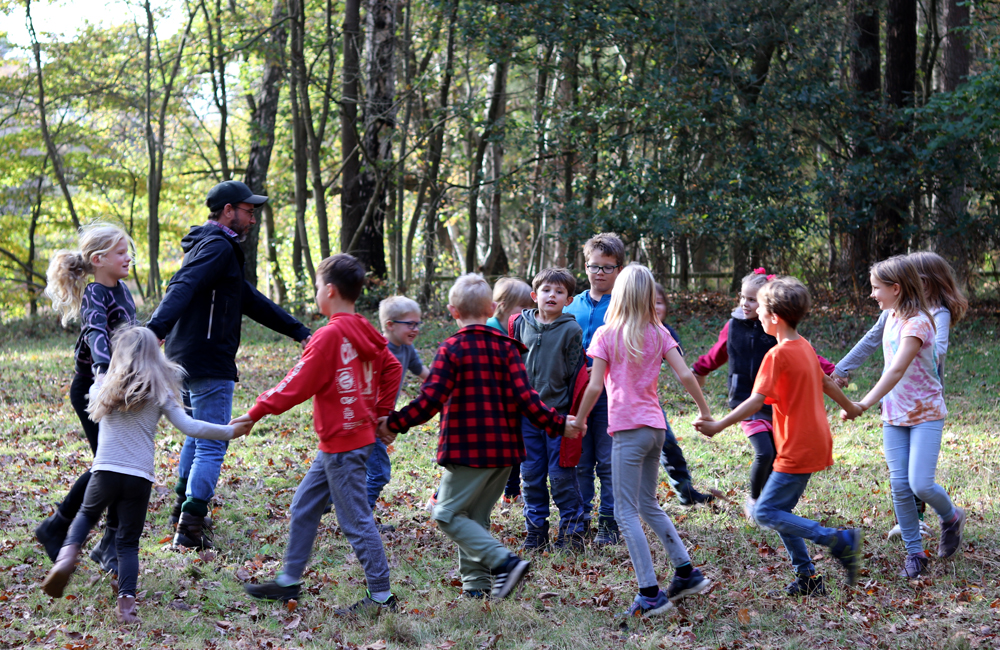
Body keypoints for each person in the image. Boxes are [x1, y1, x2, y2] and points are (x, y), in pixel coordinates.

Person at [378, 274, 584, 600]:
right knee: (474, 517)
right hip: (505, 454)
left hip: (467, 452)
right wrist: (560, 423)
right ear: (491, 308)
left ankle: (505, 562)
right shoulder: (508, 348)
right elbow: (528, 399)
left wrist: (394, 422)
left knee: (445, 513)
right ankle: (477, 586)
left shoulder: (451, 349)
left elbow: (430, 400)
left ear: (452, 311)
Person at [41, 326, 248, 623]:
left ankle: (66, 558)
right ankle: (126, 606)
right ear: (156, 356)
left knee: (86, 516)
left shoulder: (105, 386)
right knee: (127, 543)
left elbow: (89, 397)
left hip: (104, 472)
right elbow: (191, 427)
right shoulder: (160, 391)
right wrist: (229, 431)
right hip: (139, 478)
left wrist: (102, 376)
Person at [147, 180, 312, 549]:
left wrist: (299, 331)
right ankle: (190, 529)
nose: (252, 219)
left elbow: (249, 299)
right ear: (227, 212)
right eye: (248, 211)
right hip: (207, 360)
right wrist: (153, 329)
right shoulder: (218, 247)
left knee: (197, 433)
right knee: (213, 443)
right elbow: (183, 285)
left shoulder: (212, 246)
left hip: (186, 358)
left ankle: (182, 513)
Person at [235, 254, 403, 612]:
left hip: (344, 444)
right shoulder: (364, 328)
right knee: (304, 505)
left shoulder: (329, 336)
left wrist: (256, 411)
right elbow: (391, 366)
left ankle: (382, 597)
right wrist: (381, 413)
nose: (315, 294)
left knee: (356, 520)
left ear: (328, 290)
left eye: (315, 288)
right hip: (341, 441)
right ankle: (288, 582)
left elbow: (296, 384)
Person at [696, 277, 862, 598]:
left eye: (761, 308)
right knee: (781, 512)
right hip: (812, 441)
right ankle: (808, 577)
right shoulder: (804, 345)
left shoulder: (778, 354)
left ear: (774, 317)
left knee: (765, 513)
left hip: (796, 448)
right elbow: (827, 382)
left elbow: (755, 402)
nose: (756, 314)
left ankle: (838, 540)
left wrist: (718, 425)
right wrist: (851, 406)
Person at [572, 264, 713, 617]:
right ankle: (685, 573)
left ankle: (649, 593)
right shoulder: (659, 331)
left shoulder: (605, 333)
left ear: (618, 294)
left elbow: (593, 385)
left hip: (629, 431)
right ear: (649, 296)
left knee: (625, 511)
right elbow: (685, 374)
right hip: (655, 430)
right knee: (648, 505)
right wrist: (705, 411)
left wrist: (578, 418)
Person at [841, 256, 966, 579]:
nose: (872, 294)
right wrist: (839, 372)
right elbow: (874, 347)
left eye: (876, 288)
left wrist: (862, 403)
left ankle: (951, 517)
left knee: (920, 484)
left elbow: (896, 368)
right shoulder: (890, 315)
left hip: (925, 412)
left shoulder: (920, 322)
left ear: (896, 289)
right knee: (899, 486)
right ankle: (915, 553)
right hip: (895, 414)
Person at [691, 268, 836, 520]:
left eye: (751, 299)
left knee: (777, 454)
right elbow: (718, 352)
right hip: (745, 402)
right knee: (764, 452)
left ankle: (771, 503)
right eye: (742, 298)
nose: (745, 304)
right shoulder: (733, 326)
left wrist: (831, 370)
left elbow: (805, 354)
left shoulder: (774, 329)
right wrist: (700, 368)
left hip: (776, 404)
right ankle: (755, 500)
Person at [36, 223, 137, 575]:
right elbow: (96, 331)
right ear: (98, 259)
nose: (128, 257)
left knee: (114, 466)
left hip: (117, 388)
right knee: (108, 466)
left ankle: (88, 537)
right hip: (92, 389)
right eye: (121, 252)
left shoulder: (123, 291)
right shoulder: (96, 294)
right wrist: (102, 369)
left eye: (128, 251)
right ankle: (65, 529)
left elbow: (130, 334)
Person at [507, 267, 586, 551]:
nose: (551, 295)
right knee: (530, 474)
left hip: (559, 418)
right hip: (527, 417)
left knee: (561, 475)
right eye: (546, 290)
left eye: (559, 291)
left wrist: (573, 414)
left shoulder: (571, 329)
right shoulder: (519, 325)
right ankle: (536, 532)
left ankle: (573, 531)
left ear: (568, 299)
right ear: (534, 295)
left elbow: (577, 374)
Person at [563, 232, 625, 544]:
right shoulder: (571, 305)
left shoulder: (626, 306)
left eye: (607, 267)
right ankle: (581, 517)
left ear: (619, 269)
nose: (599, 273)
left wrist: (605, 367)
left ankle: (609, 522)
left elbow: (634, 351)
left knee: (608, 460)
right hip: (575, 395)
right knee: (581, 460)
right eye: (593, 266)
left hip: (610, 395)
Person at [653, 282, 716, 506]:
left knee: (668, 442)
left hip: (649, 402)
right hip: (618, 403)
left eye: (659, 302)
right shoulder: (623, 328)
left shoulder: (667, 333)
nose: (655, 307)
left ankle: (685, 490)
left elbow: (681, 372)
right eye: (650, 302)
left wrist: (695, 376)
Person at [371, 295, 430, 530]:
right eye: (410, 324)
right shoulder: (379, 351)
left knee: (356, 469)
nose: (415, 329)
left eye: (417, 324)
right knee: (377, 473)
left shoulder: (407, 348)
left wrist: (448, 382)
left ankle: (330, 499)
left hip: (385, 419)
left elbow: (423, 372)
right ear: (390, 325)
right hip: (371, 421)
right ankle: (360, 522)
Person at [485, 276, 536, 504]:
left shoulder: (516, 330)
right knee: (484, 459)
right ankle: (441, 496)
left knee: (516, 447)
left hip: (512, 405)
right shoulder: (490, 331)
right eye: (523, 307)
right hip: (491, 408)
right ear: (503, 306)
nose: (528, 312)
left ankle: (512, 492)